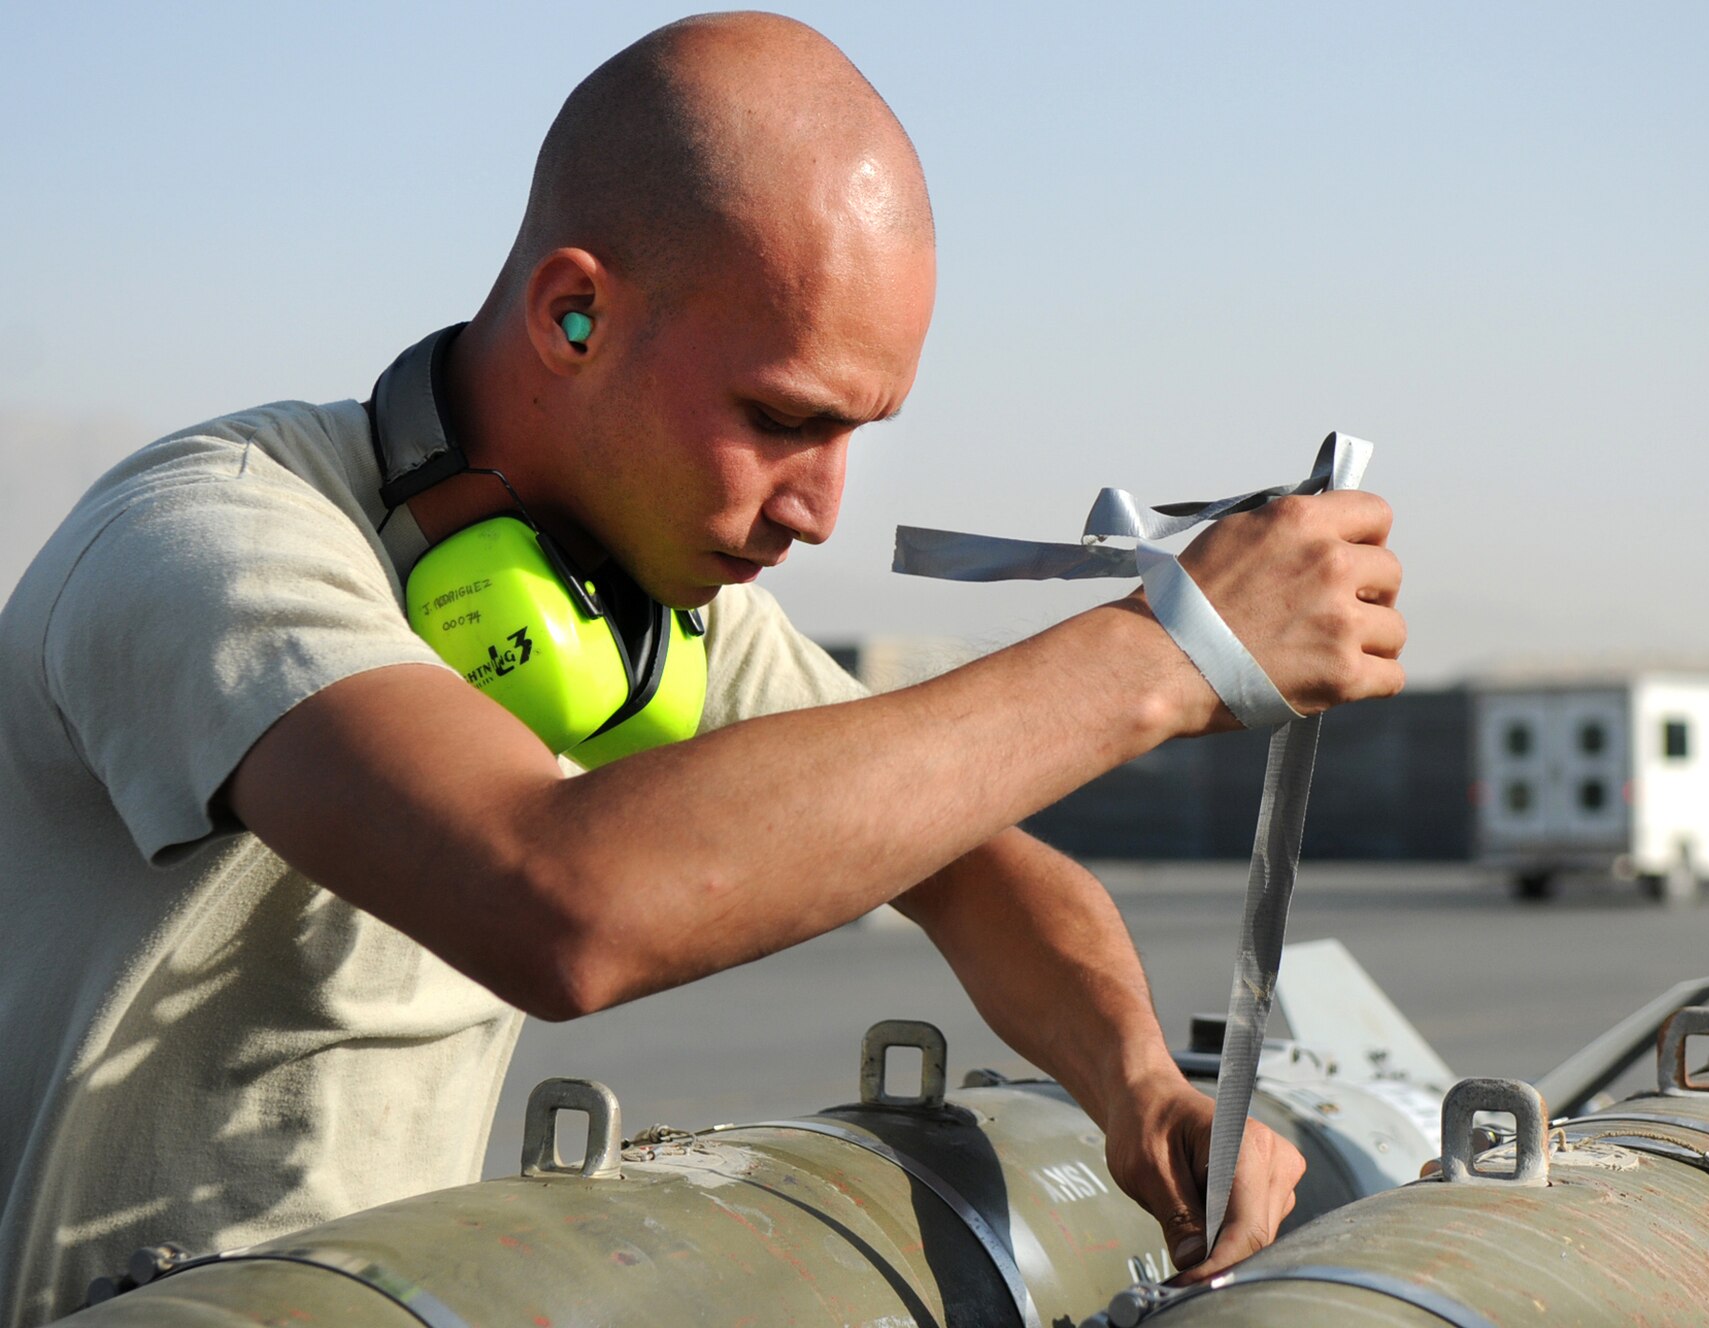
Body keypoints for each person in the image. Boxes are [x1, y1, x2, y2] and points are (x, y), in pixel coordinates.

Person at [0, 13, 1405, 1324]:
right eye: (784, 418)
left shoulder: (653, 594)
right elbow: (555, 903)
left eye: (858, 433)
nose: (821, 507)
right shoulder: (213, 544)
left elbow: (980, 870)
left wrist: (1137, 1081)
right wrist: (1165, 658)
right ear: (571, 317)